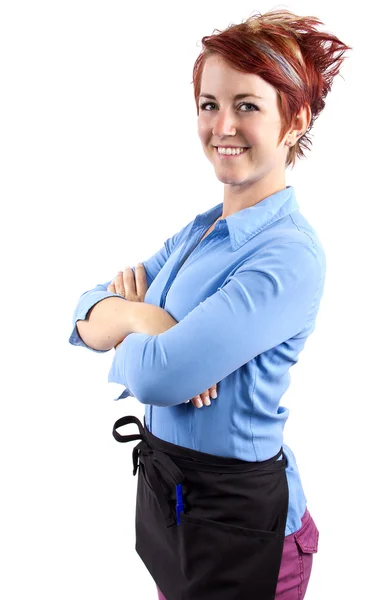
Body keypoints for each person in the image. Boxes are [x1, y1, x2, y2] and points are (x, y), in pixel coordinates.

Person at [69, 9, 351, 600]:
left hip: (245, 529)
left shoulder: (289, 256)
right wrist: (150, 321)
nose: (222, 124)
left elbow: (160, 377)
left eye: (247, 105)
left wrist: (151, 344)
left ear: (294, 120)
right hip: (176, 505)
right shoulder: (199, 232)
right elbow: (85, 310)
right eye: (208, 103)